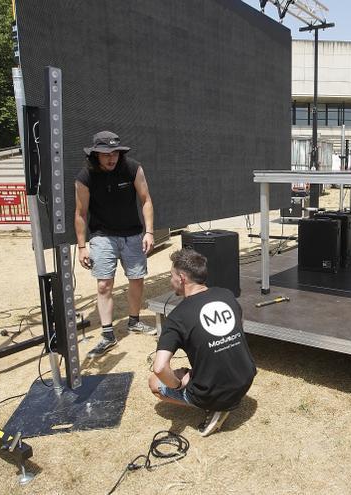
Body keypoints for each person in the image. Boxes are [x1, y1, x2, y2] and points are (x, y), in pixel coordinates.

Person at [149, 249, 256, 436]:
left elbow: (159, 368)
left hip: (213, 392)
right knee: (187, 371)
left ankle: (214, 406)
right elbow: (240, 325)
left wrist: (178, 385)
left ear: (182, 278)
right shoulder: (226, 295)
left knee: (154, 383)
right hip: (246, 377)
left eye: (171, 276)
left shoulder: (177, 317)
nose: (170, 281)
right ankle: (216, 395)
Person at [75, 131, 156, 357]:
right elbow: (80, 213)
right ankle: (108, 334)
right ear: (96, 154)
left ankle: (134, 321)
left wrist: (149, 232)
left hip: (132, 233)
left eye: (115, 153)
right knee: (104, 285)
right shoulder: (85, 176)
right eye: (106, 154)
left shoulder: (132, 168)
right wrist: (81, 246)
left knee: (137, 279)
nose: (111, 158)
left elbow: (146, 200)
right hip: (102, 235)